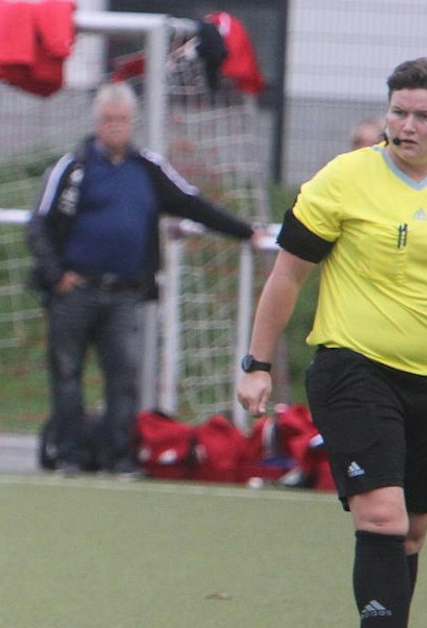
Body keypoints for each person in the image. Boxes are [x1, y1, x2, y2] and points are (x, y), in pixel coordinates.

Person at [237, 57, 427, 628]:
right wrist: (256, 363)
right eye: (398, 112)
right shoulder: (342, 179)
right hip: (353, 369)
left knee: (412, 533)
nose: (407, 125)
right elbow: (287, 276)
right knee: (382, 518)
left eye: (423, 115)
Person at [26, 82, 262, 477]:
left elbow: (191, 203)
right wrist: (56, 276)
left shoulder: (147, 168)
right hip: (75, 292)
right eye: (108, 119)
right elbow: (38, 226)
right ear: (96, 122)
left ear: (132, 122)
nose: (115, 125)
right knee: (67, 376)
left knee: (124, 378)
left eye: (121, 119)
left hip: (125, 294)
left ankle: (119, 457)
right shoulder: (73, 167)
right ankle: (70, 455)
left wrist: (244, 230)